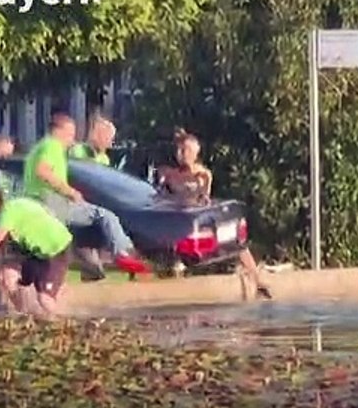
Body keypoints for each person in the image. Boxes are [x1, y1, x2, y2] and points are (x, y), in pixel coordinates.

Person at [22, 112, 148, 277]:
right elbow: (43, 171)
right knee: (105, 216)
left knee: (83, 227)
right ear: (59, 131)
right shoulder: (52, 146)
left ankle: (90, 267)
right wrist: (70, 192)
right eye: (70, 135)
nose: (72, 140)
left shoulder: (37, 149)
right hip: (51, 202)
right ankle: (123, 253)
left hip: (36, 201)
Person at [158, 130, 273, 299]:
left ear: (196, 153)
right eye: (180, 150)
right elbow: (161, 195)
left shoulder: (203, 175)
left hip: (198, 218)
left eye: (187, 150)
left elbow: (205, 198)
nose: (183, 154)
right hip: (179, 219)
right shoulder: (169, 174)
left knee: (236, 241)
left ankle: (256, 278)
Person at [0, 189, 73, 317]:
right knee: (7, 277)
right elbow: (1, 252)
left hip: (56, 249)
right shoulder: (17, 205)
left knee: (44, 299)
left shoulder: (9, 213)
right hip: (35, 252)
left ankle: (61, 324)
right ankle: (24, 314)